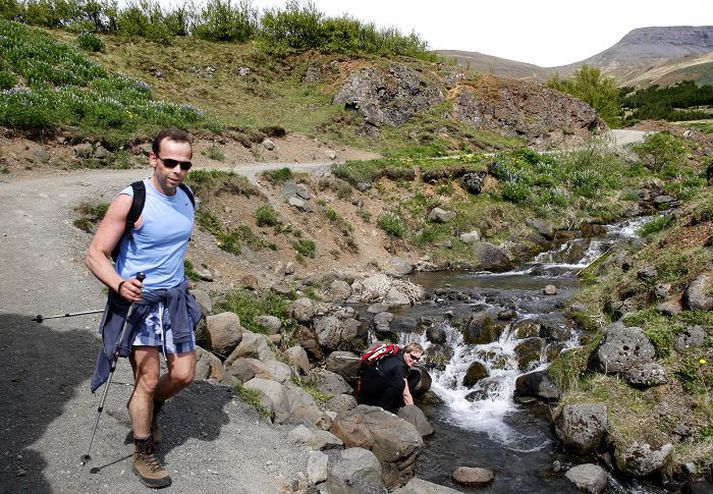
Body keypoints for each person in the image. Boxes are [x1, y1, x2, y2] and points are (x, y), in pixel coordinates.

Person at [86, 128, 201, 489]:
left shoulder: (187, 196)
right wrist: (119, 284)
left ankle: (149, 406)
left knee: (183, 375)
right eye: (170, 162)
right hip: (139, 302)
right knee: (148, 378)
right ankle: (143, 449)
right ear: (153, 159)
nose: (177, 170)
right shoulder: (131, 199)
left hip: (174, 299)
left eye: (185, 164)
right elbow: (95, 254)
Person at [357, 342, 423, 413]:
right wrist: (413, 413)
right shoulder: (399, 366)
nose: (415, 361)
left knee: (416, 375)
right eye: (412, 357)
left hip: (378, 381)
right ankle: (381, 409)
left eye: (417, 359)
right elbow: (406, 394)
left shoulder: (397, 353)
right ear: (406, 353)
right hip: (368, 388)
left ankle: (396, 403)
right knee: (400, 383)